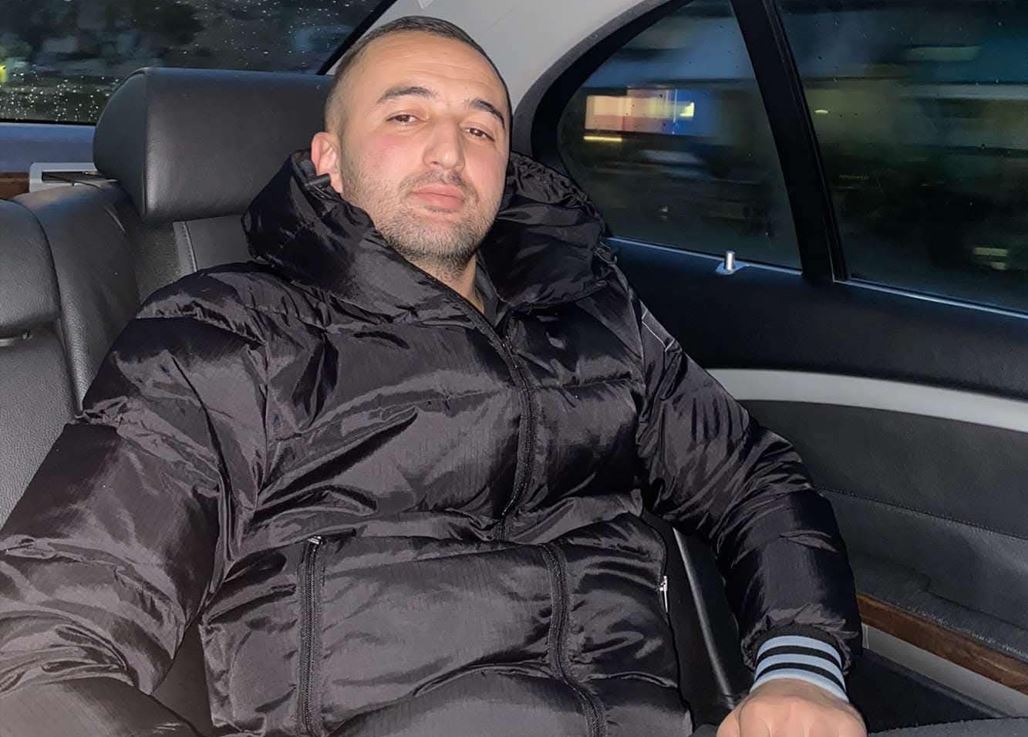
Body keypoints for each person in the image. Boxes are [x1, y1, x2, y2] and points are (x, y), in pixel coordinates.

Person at [0, 16, 864, 737]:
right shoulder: (224, 333)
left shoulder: (597, 317)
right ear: (329, 158)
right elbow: (42, 648)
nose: (450, 151)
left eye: (481, 128)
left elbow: (755, 479)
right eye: (407, 116)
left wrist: (801, 666)